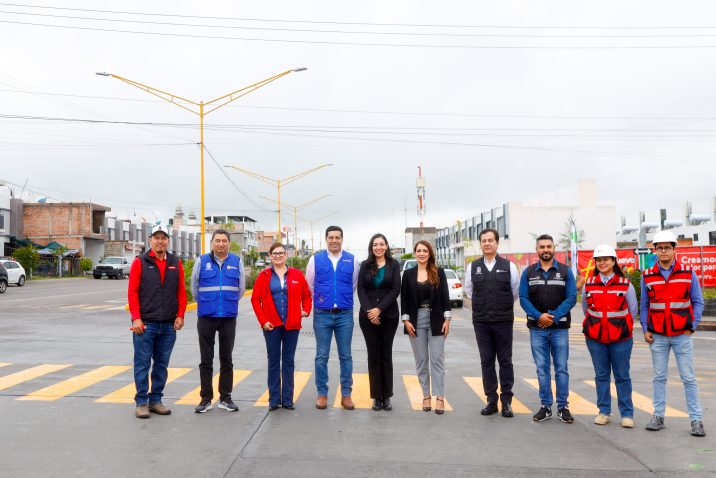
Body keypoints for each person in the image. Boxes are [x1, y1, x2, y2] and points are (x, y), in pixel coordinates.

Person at [641, 230, 706, 437]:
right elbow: (644, 305)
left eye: (667, 247)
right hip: (658, 335)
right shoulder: (647, 275)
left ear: (674, 249)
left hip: (681, 334)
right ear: (655, 251)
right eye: (659, 248)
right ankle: (658, 416)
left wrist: (692, 326)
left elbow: (698, 301)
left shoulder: (688, 273)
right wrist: (645, 329)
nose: (663, 251)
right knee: (659, 377)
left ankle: (696, 420)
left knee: (688, 377)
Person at [127, 224, 187, 419]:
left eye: (163, 238)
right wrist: (136, 318)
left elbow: (181, 291)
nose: (160, 241)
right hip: (146, 325)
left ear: (167, 240)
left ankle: (155, 400)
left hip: (168, 325)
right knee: (142, 364)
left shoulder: (175, 262)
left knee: (161, 365)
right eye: (156, 238)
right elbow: (132, 292)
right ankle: (141, 402)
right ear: (150, 240)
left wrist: (180, 315)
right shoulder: (140, 262)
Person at [519, 234, 577, 423]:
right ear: (537, 249)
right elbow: (523, 298)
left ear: (554, 248)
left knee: (561, 369)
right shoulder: (528, 273)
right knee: (542, 369)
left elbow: (571, 297)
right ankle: (545, 406)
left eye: (549, 246)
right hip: (537, 329)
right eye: (542, 247)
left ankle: (563, 407)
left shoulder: (565, 271)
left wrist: (553, 317)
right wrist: (539, 316)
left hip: (560, 328)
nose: (546, 249)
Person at [464, 228, 519, 418]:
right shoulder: (473, 267)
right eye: (484, 241)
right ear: (480, 244)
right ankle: (491, 400)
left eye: (490, 240)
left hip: (503, 321)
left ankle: (507, 401)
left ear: (497, 243)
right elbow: (470, 291)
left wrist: (499, 305)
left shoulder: (509, 266)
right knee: (486, 360)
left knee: (505, 361)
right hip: (481, 322)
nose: (487, 243)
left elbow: (514, 292)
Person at [581, 244, 638, 428]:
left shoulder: (625, 284)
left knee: (622, 375)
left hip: (621, 339)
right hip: (596, 338)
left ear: (614, 261)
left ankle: (627, 414)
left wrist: (619, 326)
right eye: (598, 260)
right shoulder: (589, 284)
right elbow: (585, 308)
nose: (602, 263)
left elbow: (633, 310)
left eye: (606, 259)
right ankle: (604, 412)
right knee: (601, 375)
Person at [190, 229, 246, 413]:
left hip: (228, 317)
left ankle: (225, 397)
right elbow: (194, 287)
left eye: (224, 241)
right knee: (206, 359)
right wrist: (207, 303)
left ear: (229, 243)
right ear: (212, 243)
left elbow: (241, 289)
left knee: (226, 359)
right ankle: (206, 399)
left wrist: (227, 303)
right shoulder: (202, 261)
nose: (221, 244)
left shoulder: (236, 261)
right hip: (206, 316)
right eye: (217, 240)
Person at [251, 242, 312, 410]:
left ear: (286, 255)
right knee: (273, 361)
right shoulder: (264, 276)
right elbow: (255, 300)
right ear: (270, 256)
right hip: (271, 325)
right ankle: (274, 400)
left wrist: (306, 310)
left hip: (292, 325)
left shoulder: (297, 274)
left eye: (281, 253)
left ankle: (287, 399)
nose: (278, 256)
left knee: (288, 361)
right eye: (275, 253)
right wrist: (263, 321)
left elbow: (307, 295)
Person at [305, 226, 360, 410]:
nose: (334, 240)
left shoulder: (352, 260)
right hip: (322, 314)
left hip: (344, 314)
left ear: (342, 239)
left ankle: (346, 395)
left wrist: (340, 298)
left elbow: (353, 284)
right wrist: (324, 299)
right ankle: (322, 394)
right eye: (331, 237)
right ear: (326, 239)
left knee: (346, 356)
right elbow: (310, 285)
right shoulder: (315, 259)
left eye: (337, 237)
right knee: (321, 356)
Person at [401, 240, 451, 415]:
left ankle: (440, 398)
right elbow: (404, 300)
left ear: (430, 254)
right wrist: (406, 321)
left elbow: (445, 297)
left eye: (425, 251)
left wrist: (447, 320)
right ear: (415, 253)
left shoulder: (439, 272)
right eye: (418, 251)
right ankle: (426, 396)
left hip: (436, 319)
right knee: (421, 361)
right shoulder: (408, 274)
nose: (421, 253)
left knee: (437, 360)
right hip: (416, 321)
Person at [357, 233, 401, 411]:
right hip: (368, 318)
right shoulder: (365, 265)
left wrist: (379, 309)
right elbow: (360, 289)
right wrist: (370, 311)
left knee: (386, 355)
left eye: (381, 244)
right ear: (371, 247)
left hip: (389, 316)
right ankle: (377, 397)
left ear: (386, 246)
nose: (378, 247)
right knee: (373, 355)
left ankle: (387, 396)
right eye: (375, 245)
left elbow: (395, 289)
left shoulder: (394, 264)